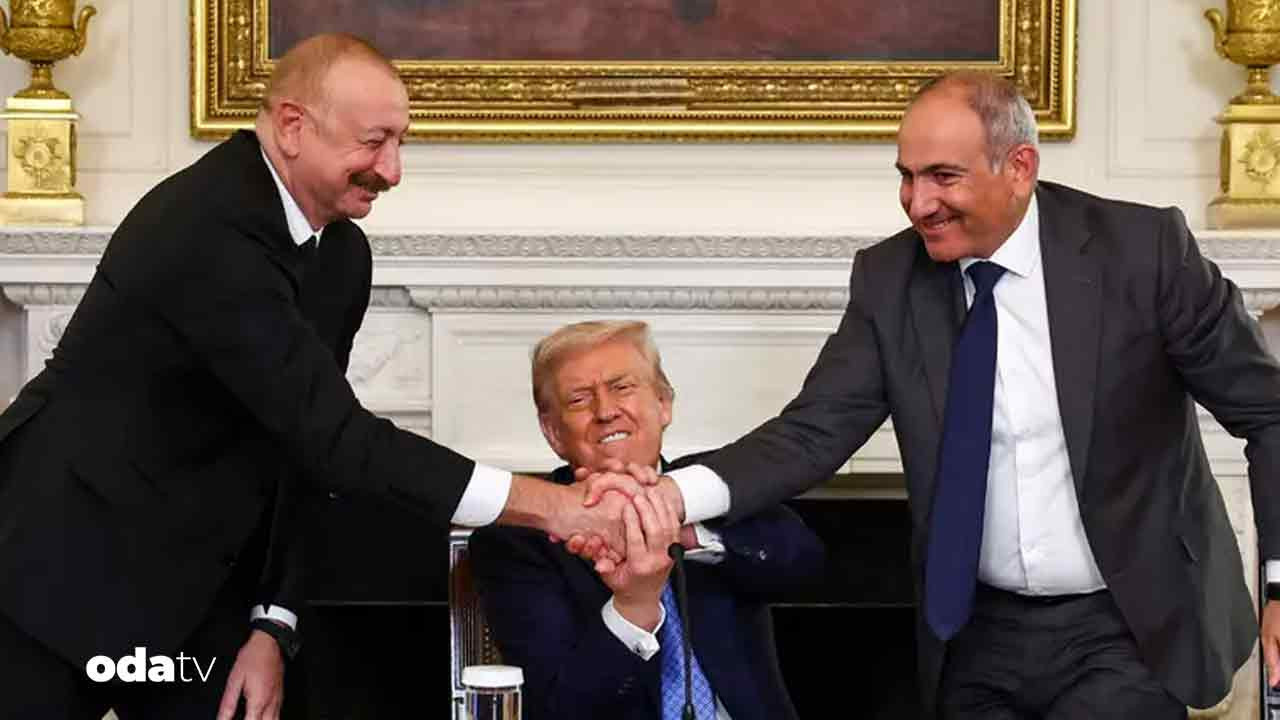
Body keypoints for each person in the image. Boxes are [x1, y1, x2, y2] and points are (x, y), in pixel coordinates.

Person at [580, 71, 1280, 719]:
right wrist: (671, 496)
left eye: (943, 176)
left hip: (1126, 622)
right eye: (907, 177)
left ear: (1019, 167)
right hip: (974, 634)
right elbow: (812, 433)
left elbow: (1268, 412)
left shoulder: (1142, 251)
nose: (919, 203)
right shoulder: (890, 280)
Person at [0, 34, 623, 720]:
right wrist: (551, 505)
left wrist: (274, 623)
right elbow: (339, 440)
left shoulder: (342, 254)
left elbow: (304, 453)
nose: (392, 171)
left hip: (198, 585)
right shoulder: (207, 227)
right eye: (374, 142)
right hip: (51, 568)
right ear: (293, 127)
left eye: (400, 142)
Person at [469, 320, 825, 720]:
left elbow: (805, 564)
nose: (606, 411)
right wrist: (632, 607)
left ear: (663, 403)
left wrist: (685, 531)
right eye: (579, 400)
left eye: (622, 387)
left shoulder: (710, 485)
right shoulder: (520, 536)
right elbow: (559, 708)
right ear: (553, 432)